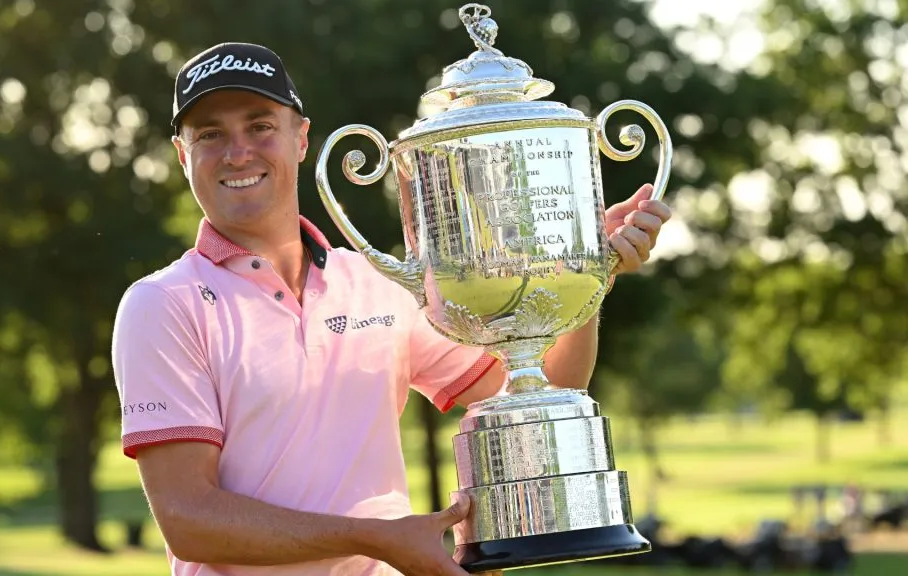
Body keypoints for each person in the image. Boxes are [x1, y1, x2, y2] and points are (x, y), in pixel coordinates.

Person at [110, 42, 672, 576]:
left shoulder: (376, 282)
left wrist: (586, 276)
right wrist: (378, 538)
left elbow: (539, 387)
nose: (238, 152)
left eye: (259, 126)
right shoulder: (163, 305)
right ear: (184, 155)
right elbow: (189, 519)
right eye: (211, 134)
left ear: (301, 138)